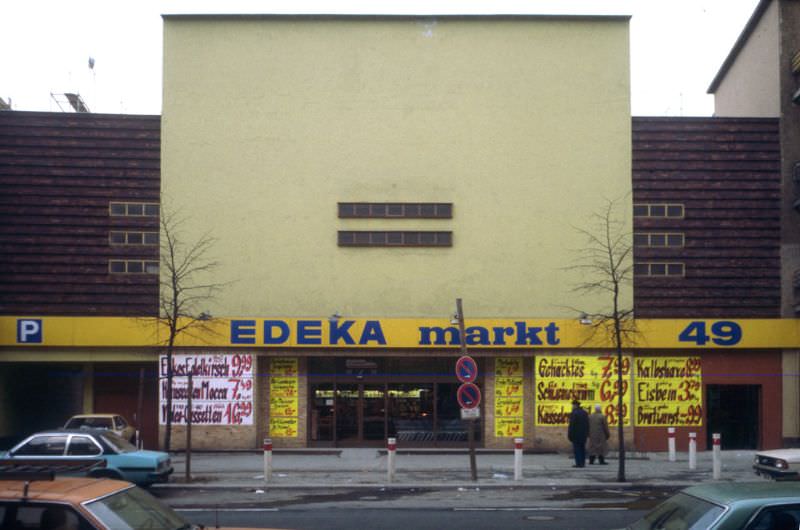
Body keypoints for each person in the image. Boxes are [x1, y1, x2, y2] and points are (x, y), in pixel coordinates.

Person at [567, 399, 590, 467]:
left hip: (576, 434)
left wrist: (570, 434)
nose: (572, 406)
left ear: (575, 405)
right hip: (583, 434)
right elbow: (587, 424)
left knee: (577, 449)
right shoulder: (585, 413)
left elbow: (572, 425)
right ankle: (582, 463)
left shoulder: (574, 413)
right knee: (582, 448)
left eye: (573, 405)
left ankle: (578, 463)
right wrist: (587, 433)